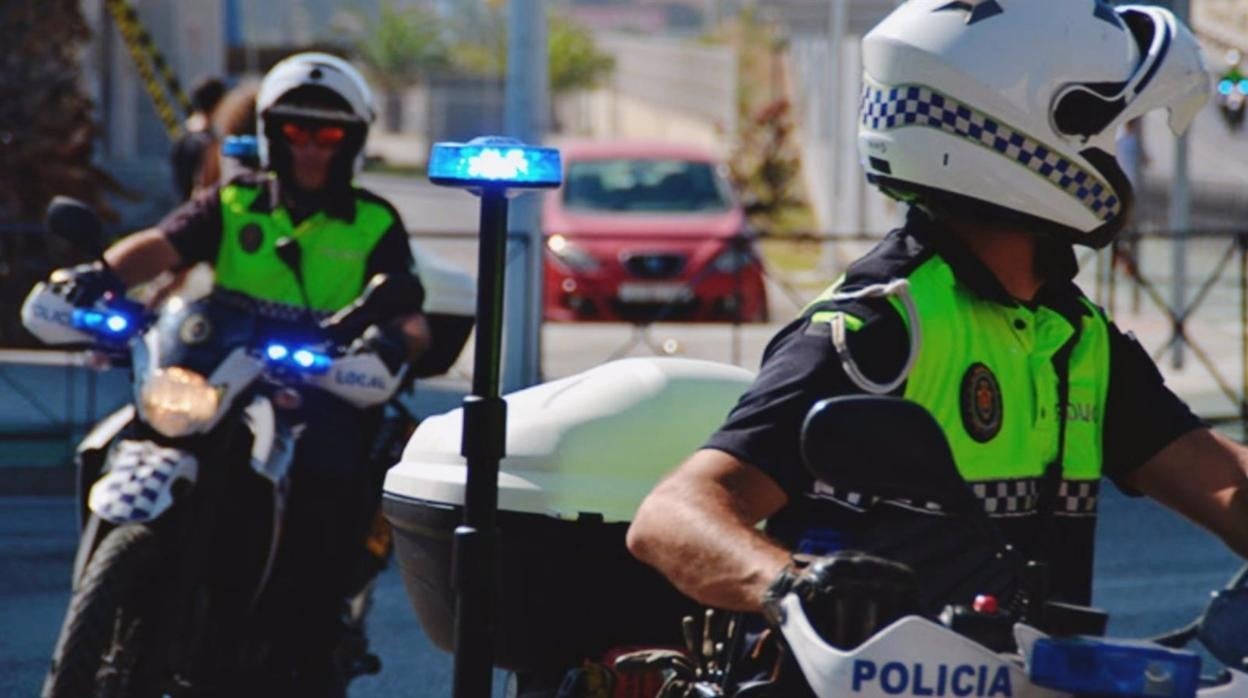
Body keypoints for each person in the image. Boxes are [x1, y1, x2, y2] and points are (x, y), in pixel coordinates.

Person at [626, 0, 1230, 679]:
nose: (1123, 161)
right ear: (1026, 133)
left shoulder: (1073, 337)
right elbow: (671, 516)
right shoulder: (881, 332)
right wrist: (795, 583)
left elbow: (1224, 483)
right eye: (1112, 134)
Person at [60, 52, 430, 685]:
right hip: (217, 374)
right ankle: (117, 596)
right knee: (118, 437)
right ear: (271, 135)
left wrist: (393, 344)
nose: (310, 147)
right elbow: (161, 244)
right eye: (295, 131)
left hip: (316, 385)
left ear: (352, 141)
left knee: (325, 475)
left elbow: (411, 317)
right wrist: (98, 275)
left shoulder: (374, 221)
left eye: (328, 134)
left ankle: (307, 638)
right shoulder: (235, 201)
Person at [170, 76, 227, 200]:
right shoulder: (210, 142)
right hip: (200, 205)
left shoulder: (184, 135)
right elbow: (206, 185)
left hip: (183, 205)